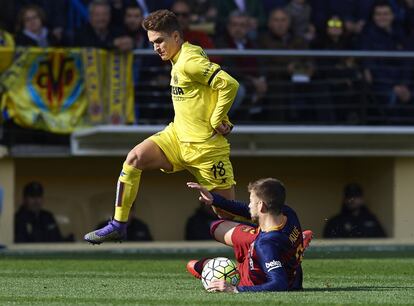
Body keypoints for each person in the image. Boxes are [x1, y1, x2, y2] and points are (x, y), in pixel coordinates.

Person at [84, 9, 239, 244]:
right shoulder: (180, 57)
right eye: (152, 42)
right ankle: (118, 224)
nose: (156, 47)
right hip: (177, 137)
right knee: (134, 158)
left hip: (206, 150)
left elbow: (229, 83)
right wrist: (218, 115)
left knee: (227, 217)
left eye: (159, 41)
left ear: (176, 36)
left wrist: (218, 119)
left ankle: (270, 246)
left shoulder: (188, 61)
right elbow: (207, 93)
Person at [186, 179, 313, 292]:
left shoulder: (265, 244)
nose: (249, 205)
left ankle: (203, 267)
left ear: (261, 206)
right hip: (283, 256)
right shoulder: (287, 212)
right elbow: (245, 210)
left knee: (198, 265)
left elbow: (280, 284)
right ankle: (296, 243)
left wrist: (235, 289)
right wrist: (215, 200)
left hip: (252, 277)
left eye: (251, 202)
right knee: (217, 227)